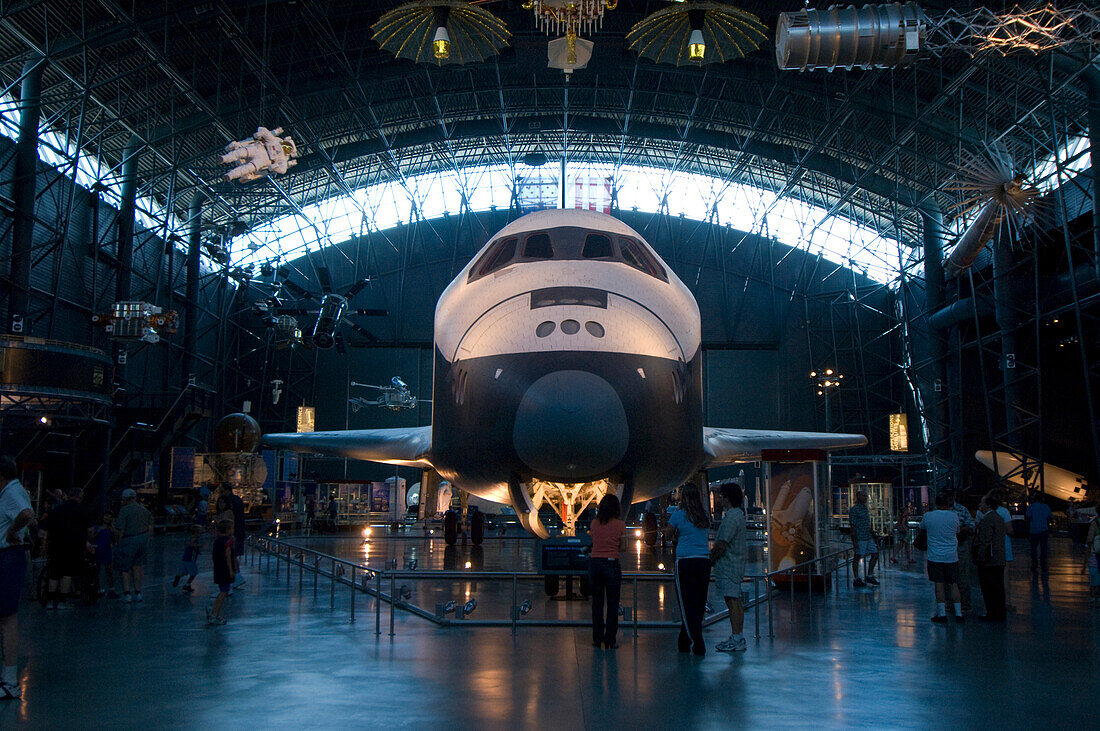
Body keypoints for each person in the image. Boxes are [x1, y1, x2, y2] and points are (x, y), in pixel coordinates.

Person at [0, 456, 35, 700]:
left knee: (6, 618)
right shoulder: (10, 492)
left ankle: (10, 679)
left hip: (7, 557)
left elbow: (26, 514)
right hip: (6, 557)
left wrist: (13, 531)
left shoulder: (12, 492)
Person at [664, 485, 711, 656]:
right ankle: (684, 640)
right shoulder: (704, 515)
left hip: (685, 561)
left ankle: (697, 641)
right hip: (704, 561)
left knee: (685, 603)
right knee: (699, 602)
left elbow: (667, 535)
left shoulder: (678, 515)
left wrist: (674, 532)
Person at [711, 481, 747, 653]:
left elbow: (722, 543)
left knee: (733, 602)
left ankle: (737, 637)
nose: (719, 499)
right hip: (734, 565)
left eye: (722, 496)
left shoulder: (732, 518)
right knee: (734, 601)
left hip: (729, 567)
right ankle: (737, 636)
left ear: (728, 497)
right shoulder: (738, 515)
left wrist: (710, 560)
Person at [587, 494, 625, 649]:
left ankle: (597, 639)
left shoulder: (594, 523)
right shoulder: (620, 524)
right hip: (611, 564)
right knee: (612, 604)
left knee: (597, 604)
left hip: (595, 564)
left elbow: (595, 541)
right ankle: (610, 640)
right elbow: (622, 546)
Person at [41, 488, 89, 610]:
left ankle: (50, 601)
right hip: (74, 546)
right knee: (67, 574)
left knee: (54, 573)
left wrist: (46, 544)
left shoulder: (57, 509)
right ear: (80, 497)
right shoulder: (82, 510)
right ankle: (63, 601)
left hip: (56, 545)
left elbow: (48, 527)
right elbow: (86, 531)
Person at [920, 492, 964, 624]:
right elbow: (957, 531)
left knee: (938, 585)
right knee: (953, 584)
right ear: (948, 503)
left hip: (935, 556)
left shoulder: (928, 516)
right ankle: (959, 614)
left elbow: (922, 529)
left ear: (936, 503)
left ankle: (942, 613)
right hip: (951, 556)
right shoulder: (954, 516)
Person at [114, 488, 152, 603]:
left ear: (125, 499)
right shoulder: (144, 510)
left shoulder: (125, 510)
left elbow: (120, 528)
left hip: (129, 539)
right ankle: (138, 592)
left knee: (125, 568)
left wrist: (117, 542)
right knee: (138, 567)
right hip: (143, 539)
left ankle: (126, 594)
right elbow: (150, 526)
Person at [974, 494, 1007, 621]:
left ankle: (991, 613)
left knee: (989, 587)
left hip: (990, 560)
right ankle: (999, 612)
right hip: (999, 558)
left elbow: (985, 540)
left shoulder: (988, 520)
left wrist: (980, 556)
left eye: (982, 503)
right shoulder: (998, 518)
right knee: (998, 587)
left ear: (988, 505)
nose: (979, 506)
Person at [946, 490, 975, 614]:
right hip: (946, 547)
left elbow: (971, 526)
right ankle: (949, 602)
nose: (950, 498)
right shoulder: (941, 511)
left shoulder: (962, 510)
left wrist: (961, 530)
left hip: (961, 546)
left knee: (963, 576)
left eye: (951, 496)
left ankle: (965, 603)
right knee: (947, 577)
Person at [207, 520, 238, 626]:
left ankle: (214, 612)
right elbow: (228, 556)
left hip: (218, 568)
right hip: (225, 570)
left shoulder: (218, 541)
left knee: (223, 590)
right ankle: (214, 614)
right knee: (224, 591)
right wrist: (231, 570)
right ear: (228, 530)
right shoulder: (228, 541)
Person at [848, 490, 879, 587]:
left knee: (875, 553)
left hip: (867, 536)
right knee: (857, 556)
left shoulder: (865, 509)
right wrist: (855, 540)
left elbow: (867, 522)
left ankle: (869, 575)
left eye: (866, 496)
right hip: (860, 537)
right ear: (858, 497)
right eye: (863, 496)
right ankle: (856, 578)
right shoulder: (854, 509)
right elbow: (852, 525)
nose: (865, 497)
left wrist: (872, 533)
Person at [1025, 495, 1053, 573]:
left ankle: (1034, 564)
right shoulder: (1046, 506)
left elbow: (1028, 516)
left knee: (1033, 548)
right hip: (1044, 530)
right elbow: (1050, 516)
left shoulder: (1031, 507)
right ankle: (1043, 564)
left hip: (1034, 530)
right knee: (1043, 548)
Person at [91, 512, 115, 597]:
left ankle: (111, 588)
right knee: (96, 570)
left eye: (110, 517)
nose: (107, 518)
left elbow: (114, 538)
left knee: (109, 571)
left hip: (107, 551)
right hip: (97, 551)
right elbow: (91, 537)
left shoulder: (111, 528)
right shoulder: (96, 527)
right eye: (106, 516)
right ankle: (97, 587)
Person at [173, 525, 203, 592]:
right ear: (196, 533)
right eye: (200, 532)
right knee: (193, 573)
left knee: (184, 571)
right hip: (190, 559)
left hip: (185, 558)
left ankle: (178, 576)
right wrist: (198, 546)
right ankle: (187, 584)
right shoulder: (194, 539)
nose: (201, 534)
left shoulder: (191, 538)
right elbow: (190, 544)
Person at [1086, 513, 1100, 607]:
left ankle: (1092, 597)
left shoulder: (1095, 523)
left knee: (1093, 577)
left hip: (1095, 552)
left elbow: (1090, 539)